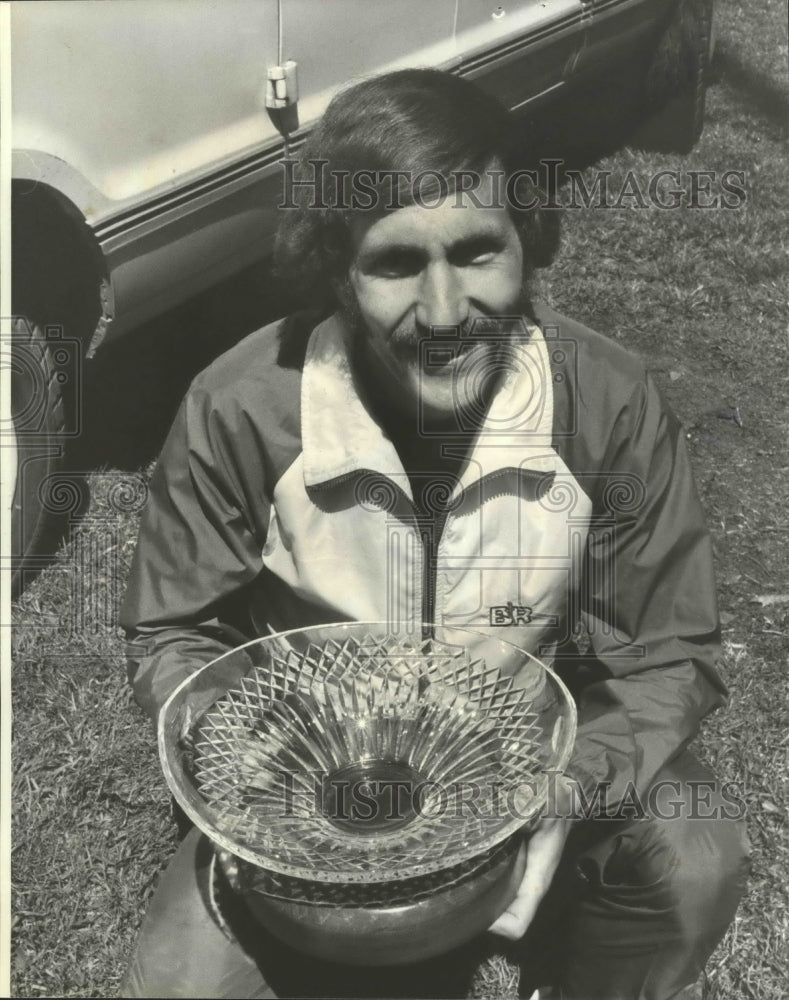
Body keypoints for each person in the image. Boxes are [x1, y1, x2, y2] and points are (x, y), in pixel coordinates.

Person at [119, 69, 748, 999]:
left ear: (526, 244)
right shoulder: (244, 406)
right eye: (396, 263)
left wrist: (568, 787)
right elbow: (173, 627)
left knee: (692, 861)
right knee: (180, 985)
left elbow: (670, 650)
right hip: (318, 764)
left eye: (477, 250)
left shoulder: (605, 407)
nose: (447, 311)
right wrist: (253, 744)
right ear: (337, 269)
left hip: (529, 751)